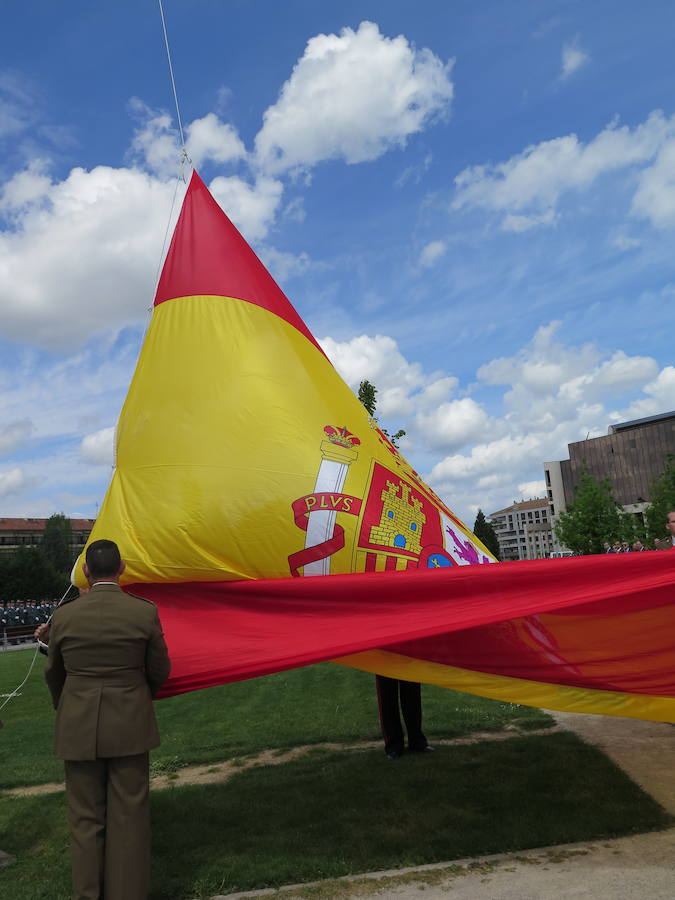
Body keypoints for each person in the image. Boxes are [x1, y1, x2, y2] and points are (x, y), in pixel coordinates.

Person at [44, 539, 171, 900]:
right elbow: (160, 667)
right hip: (130, 721)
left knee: (84, 820)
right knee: (129, 817)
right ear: (123, 568)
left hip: (77, 723)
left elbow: (53, 672)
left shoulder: (64, 616)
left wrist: (65, 706)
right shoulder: (143, 612)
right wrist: (137, 695)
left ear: (85, 571)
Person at [375, 675, 433, 759]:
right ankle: (393, 746)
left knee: (413, 697)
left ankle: (417, 742)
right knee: (387, 698)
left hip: (408, 662)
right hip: (384, 662)